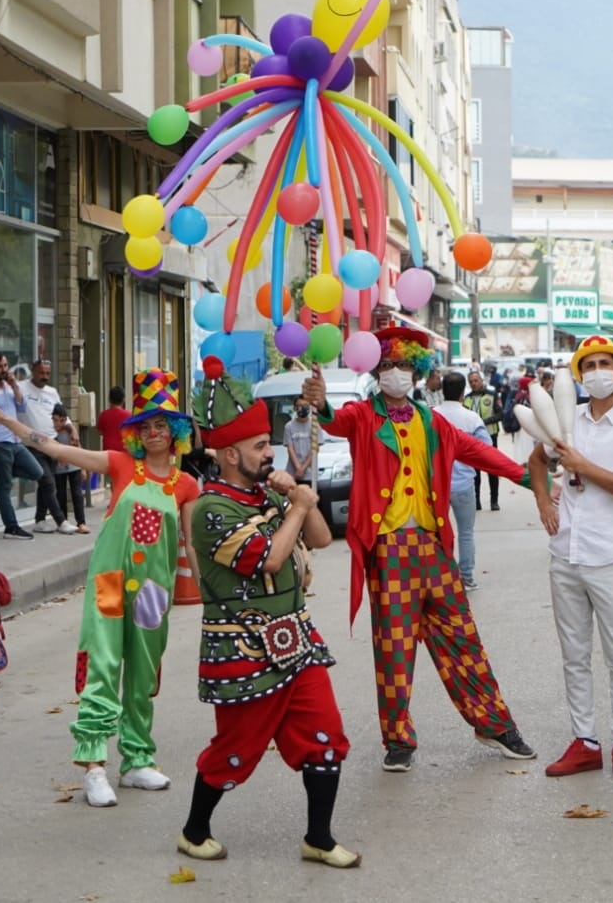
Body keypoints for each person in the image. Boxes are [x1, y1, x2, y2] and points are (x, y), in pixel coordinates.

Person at [304, 328, 544, 771]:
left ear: (418, 372)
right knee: (394, 650)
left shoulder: (432, 422)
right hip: (389, 549)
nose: (395, 373)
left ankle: (494, 724)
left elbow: (477, 451)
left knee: (463, 639)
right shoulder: (363, 416)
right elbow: (336, 422)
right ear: (376, 371)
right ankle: (398, 739)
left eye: (403, 365)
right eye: (387, 365)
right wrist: (321, 405)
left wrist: (527, 477)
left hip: (433, 547)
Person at [0, 369, 201, 808]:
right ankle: (94, 765)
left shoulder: (187, 486)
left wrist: (211, 596)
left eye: (162, 425)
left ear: (176, 432)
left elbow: (190, 545)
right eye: (146, 426)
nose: (154, 433)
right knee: (102, 663)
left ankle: (137, 759)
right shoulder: (120, 464)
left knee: (143, 673)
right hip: (110, 582)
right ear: (137, 433)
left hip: (154, 591)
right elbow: (54, 447)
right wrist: (5, 422)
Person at [176, 358, 358, 869]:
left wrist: (299, 499)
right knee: (235, 749)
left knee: (325, 735)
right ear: (230, 454)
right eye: (259, 446)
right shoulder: (212, 509)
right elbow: (269, 560)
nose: (270, 451)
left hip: (296, 639)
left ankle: (319, 838)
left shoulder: (266, 496)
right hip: (241, 648)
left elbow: (319, 539)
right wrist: (295, 506)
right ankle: (194, 831)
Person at [530, 337, 613, 781]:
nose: (598, 371)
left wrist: (583, 466)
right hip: (565, 554)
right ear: (579, 375)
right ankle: (585, 741)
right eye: (590, 365)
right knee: (574, 655)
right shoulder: (568, 420)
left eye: (605, 363)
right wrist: (543, 502)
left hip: (607, 556)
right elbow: (536, 460)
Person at [0, 351, 51, 540]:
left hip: (15, 439)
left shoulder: (8, 386)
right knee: (5, 486)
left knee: (37, 472)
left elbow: (22, 406)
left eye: (5, 366)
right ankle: (11, 527)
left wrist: (15, 385)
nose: (3, 370)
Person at [435, 372, 490, 590]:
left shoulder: (431, 416)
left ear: (442, 391)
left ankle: (442, 577)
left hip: (437, 486)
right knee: (466, 533)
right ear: (462, 393)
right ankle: (466, 577)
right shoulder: (471, 418)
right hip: (465, 485)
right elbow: (485, 449)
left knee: (437, 533)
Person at [20, 359, 68, 533]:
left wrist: (72, 432)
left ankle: (40, 520)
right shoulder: (22, 388)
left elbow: (62, 415)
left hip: (51, 443)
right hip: (33, 444)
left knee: (45, 484)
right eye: (41, 372)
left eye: (48, 373)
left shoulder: (52, 392)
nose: (45, 376)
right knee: (48, 483)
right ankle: (61, 521)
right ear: (33, 371)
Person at [464, 371, 502, 511]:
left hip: (490, 437)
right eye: (471, 381)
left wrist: (483, 422)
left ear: (481, 380)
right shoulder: (466, 399)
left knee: (492, 470)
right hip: (472, 439)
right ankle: (476, 502)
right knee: (475, 471)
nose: (474, 383)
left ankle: (494, 501)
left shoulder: (492, 395)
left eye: (476, 380)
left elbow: (500, 414)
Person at [52, 404, 90, 534]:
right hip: (59, 468)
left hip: (74, 466)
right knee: (61, 494)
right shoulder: (51, 433)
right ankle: (63, 522)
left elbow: (79, 449)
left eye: (61, 420)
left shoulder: (70, 432)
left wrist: (83, 468)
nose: (58, 423)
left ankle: (81, 522)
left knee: (77, 494)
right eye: (55, 420)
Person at [285, 399, 317, 487]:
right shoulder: (289, 426)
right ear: (294, 408)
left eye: (305, 405)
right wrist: (298, 468)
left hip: (310, 475)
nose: (302, 408)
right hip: (293, 474)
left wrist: (303, 468)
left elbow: (314, 449)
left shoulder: (315, 425)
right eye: (299, 405)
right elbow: (290, 448)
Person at [97, 385, 130, 454]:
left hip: (108, 450)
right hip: (123, 450)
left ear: (109, 400)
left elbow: (100, 432)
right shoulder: (128, 415)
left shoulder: (103, 414)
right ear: (123, 400)